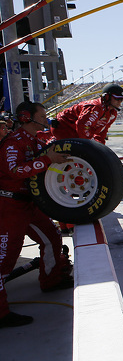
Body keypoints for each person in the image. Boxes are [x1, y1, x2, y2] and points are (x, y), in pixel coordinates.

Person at [0, 101, 74, 328]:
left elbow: (44, 164)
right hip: (8, 207)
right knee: (4, 261)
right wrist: (47, 160)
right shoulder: (13, 144)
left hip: (29, 205)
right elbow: (14, 172)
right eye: (42, 115)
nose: (46, 118)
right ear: (26, 117)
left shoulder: (37, 140)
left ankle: (50, 280)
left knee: (52, 237)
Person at [50, 83, 123, 144]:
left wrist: (101, 145)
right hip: (63, 127)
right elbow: (82, 128)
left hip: (75, 130)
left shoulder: (112, 113)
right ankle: (52, 143)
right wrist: (92, 144)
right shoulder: (95, 108)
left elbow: (103, 131)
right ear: (107, 97)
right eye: (117, 99)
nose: (119, 102)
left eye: (121, 100)